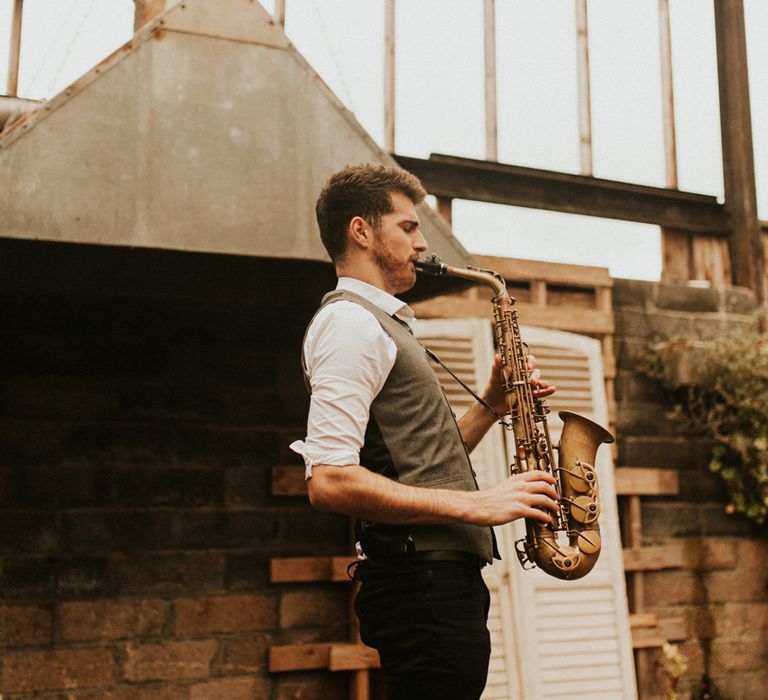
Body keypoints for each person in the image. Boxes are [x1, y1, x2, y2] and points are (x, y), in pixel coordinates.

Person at [290, 163, 559, 700]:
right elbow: (329, 481)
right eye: (408, 227)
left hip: (437, 586)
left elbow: (415, 459)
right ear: (361, 232)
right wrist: (480, 505)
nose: (420, 243)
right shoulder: (351, 325)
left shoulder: (381, 323)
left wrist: (490, 405)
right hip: (419, 587)